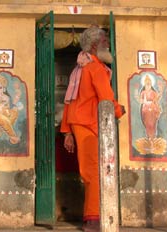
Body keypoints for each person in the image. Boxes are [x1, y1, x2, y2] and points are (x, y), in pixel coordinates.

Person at [60, 26, 125, 232]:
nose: (108, 44)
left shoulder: (79, 69)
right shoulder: (94, 68)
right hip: (89, 125)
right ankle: (93, 218)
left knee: (90, 170)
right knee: (93, 171)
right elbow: (106, 98)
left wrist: (67, 131)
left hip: (80, 125)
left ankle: (93, 216)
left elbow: (69, 102)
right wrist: (119, 110)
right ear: (96, 45)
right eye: (105, 40)